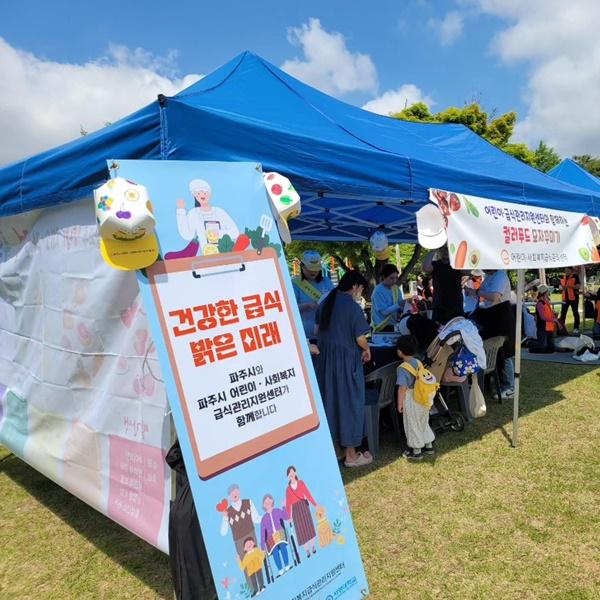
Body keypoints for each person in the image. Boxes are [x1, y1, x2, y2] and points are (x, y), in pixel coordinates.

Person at [314, 270, 373, 467]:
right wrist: (366, 349)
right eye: (361, 289)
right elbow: (360, 338)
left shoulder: (326, 302)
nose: (360, 293)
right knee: (349, 403)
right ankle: (351, 455)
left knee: (331, 403)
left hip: (324, 362)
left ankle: (336, 449)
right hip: (345, 362)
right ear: (355, 286)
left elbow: (316, 331)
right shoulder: (352, 307)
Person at [474, 269, 515, 400]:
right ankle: (494, 383)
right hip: (491, 316)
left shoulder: (500, 275)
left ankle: (510, 387)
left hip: (502, 316)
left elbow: (494, 296)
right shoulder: (488, 276)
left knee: (505, 352)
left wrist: (477, 292)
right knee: (493, 352)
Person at [396, 335, 435, 461]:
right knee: (423, 421)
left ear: (400, 351)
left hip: (411, 398)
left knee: (412, 424)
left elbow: (402, 388)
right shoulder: (418, 362)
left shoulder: (403, 368)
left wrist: (399, 403)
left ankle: (416, 451)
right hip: (423, 397)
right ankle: (428, 445)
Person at [175, 179, 239, 255]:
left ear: (209, 194)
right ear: (195, 196)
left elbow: (235, 232)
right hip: (207, 255)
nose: (202, 195)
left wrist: (218, 233)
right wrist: (181, 211)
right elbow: (187, 235)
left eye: (205, 193)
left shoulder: (219, 212)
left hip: (225, 254)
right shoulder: (194, 213)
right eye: (198, 193)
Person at [220, 484, 262, 589]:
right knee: (246, 565)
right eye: (231, 492)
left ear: (239, 491)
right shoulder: (228, 512)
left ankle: (261, 586)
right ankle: (253, 589)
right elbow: (223, 532)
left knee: (257, 560)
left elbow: (256, 519)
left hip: (251, 535)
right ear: (229, 496)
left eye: (236, 490)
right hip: (239, 541)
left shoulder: (248, 502)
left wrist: (267, 514)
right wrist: (225, 518)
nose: (234, 493)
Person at [292, 250, 334, 338]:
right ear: (302, 267)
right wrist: (307, 305)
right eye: (310, 268)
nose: (313, 271)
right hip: (304, 334)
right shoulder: (295, 283)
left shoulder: (326, 281)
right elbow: (290, 309)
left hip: (325, 331)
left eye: (316, 269)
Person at [423, 246, 463, 324]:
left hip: (456, 306)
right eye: (443, 249)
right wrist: (434, 248)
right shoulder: (435, 264)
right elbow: (426, 268)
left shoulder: (457, 264)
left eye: (448, 249)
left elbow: (468, 271)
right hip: (439, 306)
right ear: (440, 251)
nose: (446, 251)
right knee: (437, 332)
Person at [284, 466, 317, 559]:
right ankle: (307, 550)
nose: (291, 474)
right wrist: (289, 517)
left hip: (303, 506)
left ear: (295, 472)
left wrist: (315, 505)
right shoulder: (288, 489)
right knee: (300, 531)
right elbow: (288, 504)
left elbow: (308, 494)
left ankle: (313, 546)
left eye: (292, 472)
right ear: (288, 476)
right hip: (295, 510)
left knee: (308, 527)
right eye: (289, 473)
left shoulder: (301, 483)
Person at [259, 494, 290, 577]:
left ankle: (287, 564)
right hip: (270, 537)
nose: (268, 503)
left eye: (269, 501)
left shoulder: (277, 511)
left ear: (272, 501)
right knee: (274, 551)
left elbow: (286, 517)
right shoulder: (264, 519)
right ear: (263, 505)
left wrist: (283, 507)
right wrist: (262, 548)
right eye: (265, 502)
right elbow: (262, 534)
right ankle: (280, 569)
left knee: (282, 545)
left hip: (279, 532)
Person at [371, 264, 404, 332]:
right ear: (384, 277)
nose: (394, 281)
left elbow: (401, 306)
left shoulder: (396, 289)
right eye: (391, 278)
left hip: (393, 324)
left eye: (396, 278)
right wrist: (398, 305)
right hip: (381, 327)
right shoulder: (378, 291)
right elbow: (384, 312)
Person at [529, 285, 558, 353]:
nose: (549, 292)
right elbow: (542, 317)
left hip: (549, 328)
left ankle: (539, 344)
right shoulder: (540, 303)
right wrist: (553, 320)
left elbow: (550, 314)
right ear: (545, 292)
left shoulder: (546, 302)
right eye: (548, 291)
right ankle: (530, 343)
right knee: (543, 347)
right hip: (542, 328)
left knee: (551, 349)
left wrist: (557, 322)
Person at [559, 267, 581, 334]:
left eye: (568, 270)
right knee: (563, 314)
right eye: (565, 270)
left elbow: (578, 286)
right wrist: (561, 288)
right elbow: (560, 287)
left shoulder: (575, 276)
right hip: (565, 298)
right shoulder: (563, 277)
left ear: (571, 271)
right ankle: (561, 329)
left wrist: (570, 286)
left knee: (575, 313)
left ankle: (576, 328)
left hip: (574, 298)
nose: (566, 271)